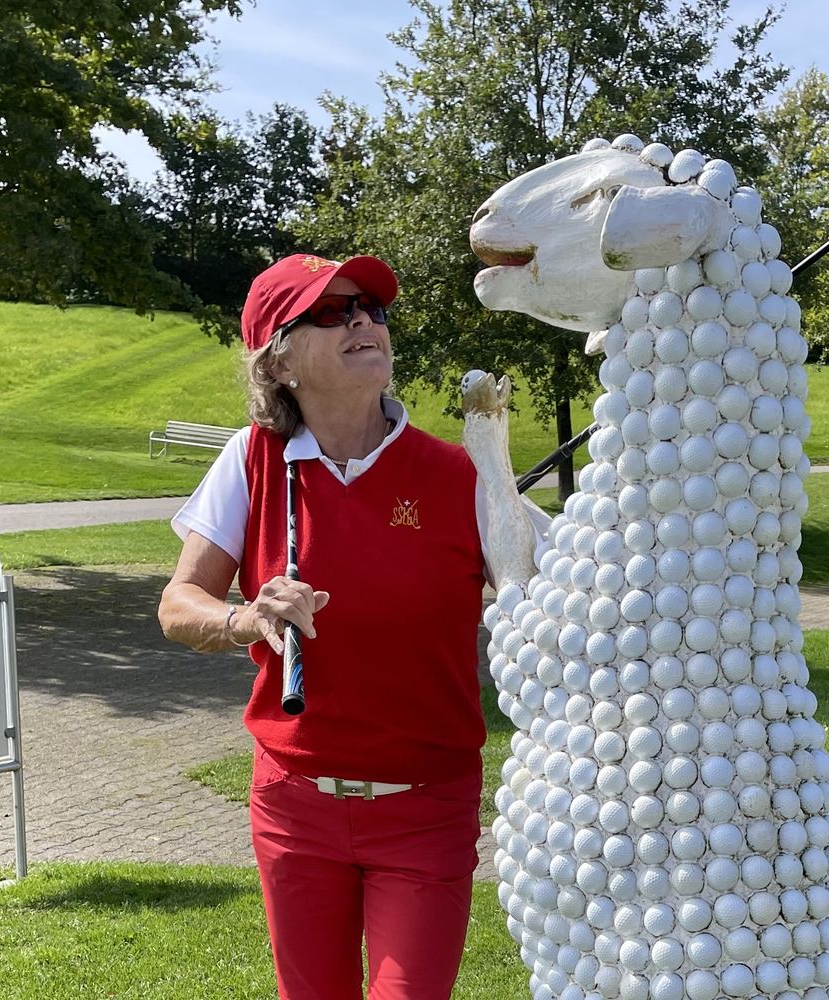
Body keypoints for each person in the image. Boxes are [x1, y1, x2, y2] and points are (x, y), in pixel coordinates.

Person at [158, 252, 499, 1000]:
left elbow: (553, 593)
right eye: (331, 311)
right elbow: (178, 604)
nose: (362, 320)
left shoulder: (462, 474)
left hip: (425, 805)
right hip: (294, 806)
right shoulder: (253, 458)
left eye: (371, 309)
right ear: (278, 362)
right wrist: (246, 618)